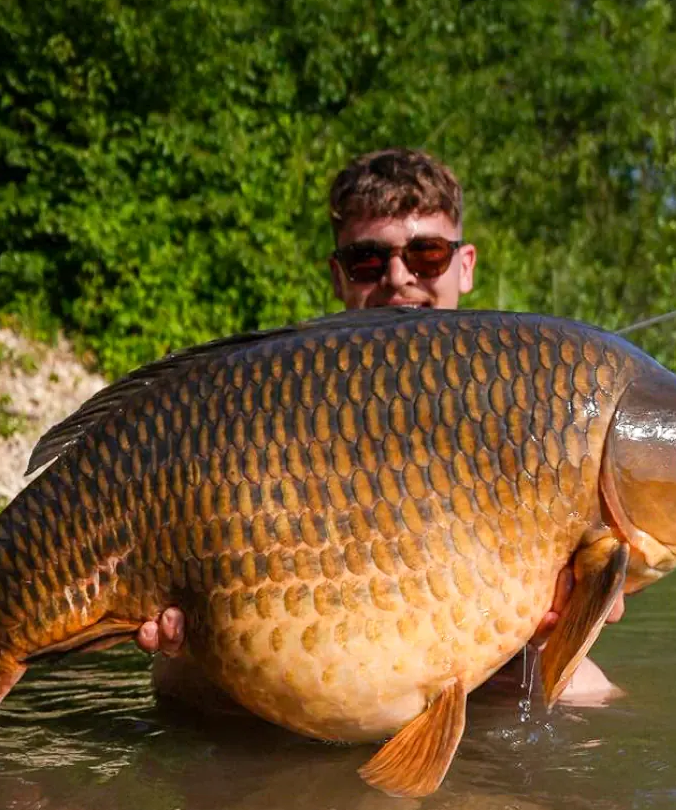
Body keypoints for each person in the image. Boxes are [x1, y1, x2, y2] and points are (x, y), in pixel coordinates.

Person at [137, 147, 621, 706]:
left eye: (427, 254)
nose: (398, 278)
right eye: (369, 261)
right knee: (176, 682)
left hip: (476, 640)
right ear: (339, 275)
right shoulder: (274, 394)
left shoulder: (533, 405)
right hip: (309, 646)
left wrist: (580, 598)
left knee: (590, 695)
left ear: (464, 266)